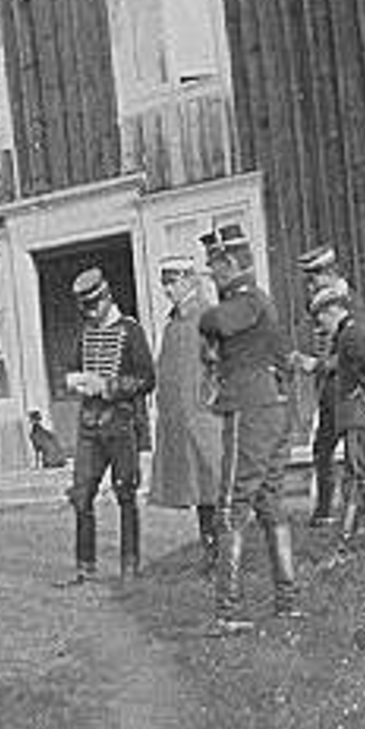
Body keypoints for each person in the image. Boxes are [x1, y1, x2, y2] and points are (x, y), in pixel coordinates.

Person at [198, 223, 302, 637]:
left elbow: (216, 322)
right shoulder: (260, 301)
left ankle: (227, 610)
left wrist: (206, 315)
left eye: (214, 266)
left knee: (231, 505)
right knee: (270, 501)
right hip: (273, 408)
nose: (211, 273)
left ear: (229, 263)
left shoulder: (248, 300)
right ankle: (287, 600)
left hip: (251, 409)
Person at [58, 267, 155, 587]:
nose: (89, 313)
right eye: (84, 307)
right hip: (89, 425)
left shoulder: (131, 330)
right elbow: (70, 368)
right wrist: (74, 380)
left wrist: (109, 386)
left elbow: (147, 378)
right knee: (81, 495)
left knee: (125, 493)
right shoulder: (85, 332)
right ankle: (84, 568)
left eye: (93, 305)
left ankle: (130, 566)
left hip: (121, 423)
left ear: (107, 297)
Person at [148, 253, 223, 577]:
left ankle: (227, 557)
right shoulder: (173, 324)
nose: (168, 289)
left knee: (217, 485)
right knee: (198, 489)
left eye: (173, 282)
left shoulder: (208, 317)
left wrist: (212, 398)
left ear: (190, 280)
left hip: (207, 419)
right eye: (164, 283)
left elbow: (222, 363)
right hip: (181, 420)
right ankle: (210, 554)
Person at [304, 284, 365, 550]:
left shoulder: (351, 334)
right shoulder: (349, 333)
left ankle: (348, 541)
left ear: (332, 311)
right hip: (364, 416)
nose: (320, 325)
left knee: (358, 477)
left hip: (360, 416)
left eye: (320, 318)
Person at [294, 244, 354, 528]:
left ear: (330, 273)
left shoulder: (349, 302)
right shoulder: (318, 304)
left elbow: (353, 351)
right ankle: (325, 510)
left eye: (314, 277)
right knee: (322, 449)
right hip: (329, 391)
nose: (310, 285)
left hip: (352, 389)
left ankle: (357, 513)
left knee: (355, 454)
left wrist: (318, 365)